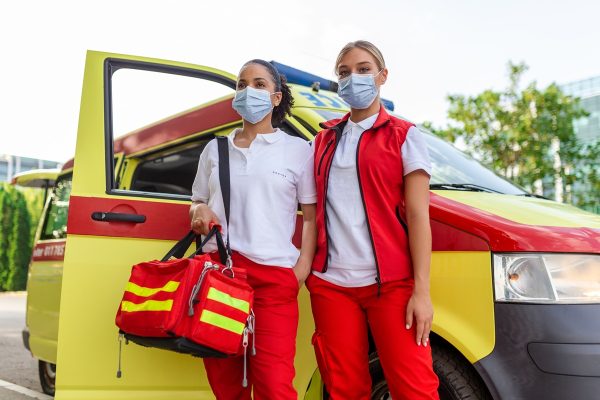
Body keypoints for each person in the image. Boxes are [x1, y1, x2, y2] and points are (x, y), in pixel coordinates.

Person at [307, 40, 440, 399]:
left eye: (363, 69)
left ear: (382, 76)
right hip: (331, 285)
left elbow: (418, 215)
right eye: (345, 72)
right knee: (344, 389)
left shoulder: (405, 135)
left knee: (415, 389)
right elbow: (304, 206)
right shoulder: (323, 140)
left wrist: (422, 291)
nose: (354, 78)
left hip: (392, 285)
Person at [189, 59, 317, 400]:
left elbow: (312, 215)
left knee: (275, 386)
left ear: (275, 98)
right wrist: (199, 210)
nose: (249, 91)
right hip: (221, 276)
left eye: (259, 84)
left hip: (275, 280)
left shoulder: (298, 150)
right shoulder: (215, 149)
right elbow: (197, 199)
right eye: (241, 84)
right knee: (227, 386)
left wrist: (300, 270)